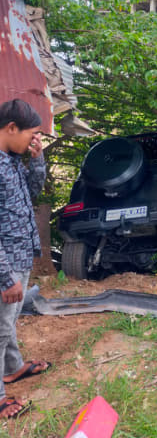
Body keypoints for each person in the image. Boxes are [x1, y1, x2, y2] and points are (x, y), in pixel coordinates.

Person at [0, 99, 51, 419]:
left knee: (8, 322)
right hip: (6, 263)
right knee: (0, 329)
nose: (33, 140)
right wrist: (6, 277)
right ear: (11, 128)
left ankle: (13, 367)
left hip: (19, 256)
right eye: (31, 135)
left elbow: (31, 193)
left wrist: (38, 159)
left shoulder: (12, 160)